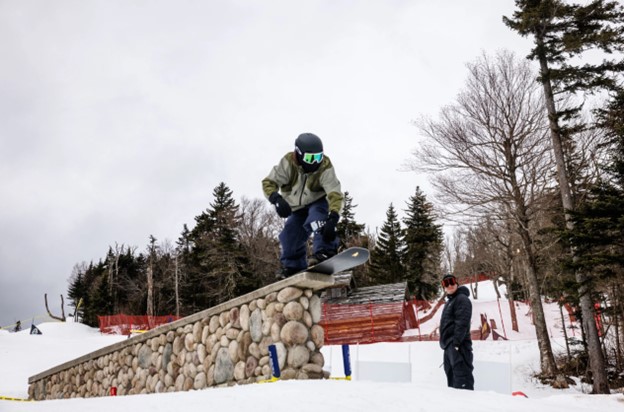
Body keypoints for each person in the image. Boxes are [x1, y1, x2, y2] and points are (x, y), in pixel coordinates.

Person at [262, 133, 344, 278]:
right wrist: (277, 199)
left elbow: (334, 192)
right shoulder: (288, 163)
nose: (314, 162)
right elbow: (269, 182)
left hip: (317, 202)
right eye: (310, 158)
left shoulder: (324, 166)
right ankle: (293, 265)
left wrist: (333, 217)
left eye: (318, 157)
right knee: (289, 234)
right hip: (297, 209)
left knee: (316, 220)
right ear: (299, 154)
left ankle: (325, 251)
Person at [439, 273, 474, 390]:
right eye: (446, 283)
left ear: (456, 283)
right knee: (452, 380)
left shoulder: (462, 299)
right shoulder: (449, 302)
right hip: (449, 347)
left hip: (459, 346)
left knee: (461, 379)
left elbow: (462, 323)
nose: (449, 285)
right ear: (443, 287)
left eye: (451, 281)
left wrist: (456, 344)